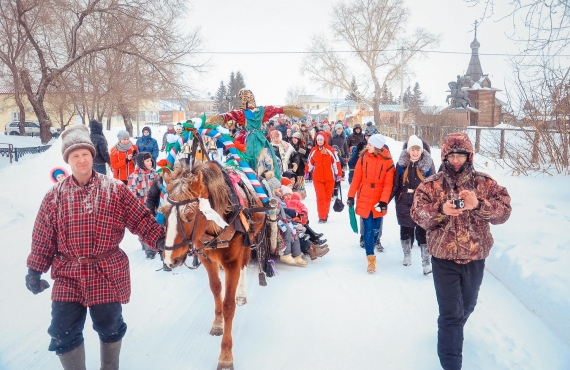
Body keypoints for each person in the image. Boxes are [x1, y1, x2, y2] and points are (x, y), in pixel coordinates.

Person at [25, 124, 165, 370]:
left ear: (93, 156)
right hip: (69, 273)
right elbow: (42, 237)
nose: (81, 160)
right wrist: (34, 270)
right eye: (75, 156)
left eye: (85, 154)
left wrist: (161, 240)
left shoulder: (115, 189)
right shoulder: (54, 196)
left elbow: (140, 219)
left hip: (106, 271)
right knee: (62, 331)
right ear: (68, 160)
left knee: (110, 327)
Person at [410, 132, 511, 370]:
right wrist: (441, 208)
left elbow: (504, 212)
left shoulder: (485, 183)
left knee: (467, 306)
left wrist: (479, 205)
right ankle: (451, 363)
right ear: (444, 156)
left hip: (475, 258)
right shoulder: (431, 185)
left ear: (469, 156)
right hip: (444, 259)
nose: (456, 160)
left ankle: (453, 332)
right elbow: (417, 214)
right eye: (452, 155)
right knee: (451, 315)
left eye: (461, 155)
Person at [347, 134, 394, 273]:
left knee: (376, 229)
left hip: (379, 198)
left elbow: (388, 184)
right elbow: (356, 179)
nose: (367, 146)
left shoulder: (388, 162)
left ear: (378, 147)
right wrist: (351, 196)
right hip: (365, 195)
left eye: (370, 144)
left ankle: (372, 245)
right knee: (367, 228)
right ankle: (371, 258)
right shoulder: (362, 158)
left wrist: (384, 201)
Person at [391, 135, 435, 275]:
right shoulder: (401, 164)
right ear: (408, 150)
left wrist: (434, 203)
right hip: (404, 201)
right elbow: (395, 184)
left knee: (422, 231)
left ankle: (426, 262)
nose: (415, 152)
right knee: (405, 229)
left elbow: (433, 185)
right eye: (412, 149)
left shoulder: (428, 164)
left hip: (422, 203)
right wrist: (385, 201)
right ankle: (407, 254)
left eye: (417, 149)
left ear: (421, 150)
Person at [127, 152, 159, 259]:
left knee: (154, 226)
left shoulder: (155, 175)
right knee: (144, 227)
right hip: (141, 206)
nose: (150, 162)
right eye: (147, 161)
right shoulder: (134, 176)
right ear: (141, 163)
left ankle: (151, 247)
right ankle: (146, 244)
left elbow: (160, 190)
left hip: (153, 205)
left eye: (151, 160)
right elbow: (131, 194)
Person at [306, 132, 342, 223]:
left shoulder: (330, 150)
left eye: (321, 139)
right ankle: (322, 217)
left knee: (327, 197)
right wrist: (307, 171)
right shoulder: (313, 150)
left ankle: (325, 213)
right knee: (320, 197)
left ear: (325, 140)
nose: (319, 141)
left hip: (329, 178)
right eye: (318, 140)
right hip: (317, 179)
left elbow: (336, 163)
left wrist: (338, 174)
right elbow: (309, 162)